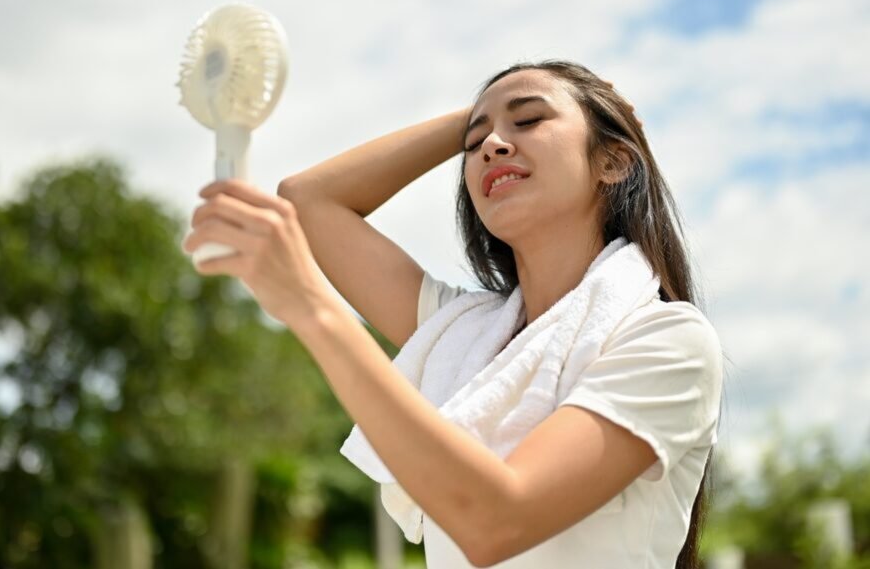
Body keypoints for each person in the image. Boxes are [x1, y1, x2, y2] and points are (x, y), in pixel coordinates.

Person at [183, 59, 726, 568]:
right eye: (474, 143)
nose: (491, 145)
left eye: (530, 119)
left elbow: (496, 519)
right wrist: (483, 116)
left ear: (613, 160)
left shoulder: (667, 340)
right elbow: (308, 199)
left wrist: (309, 307)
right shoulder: (462, 335)